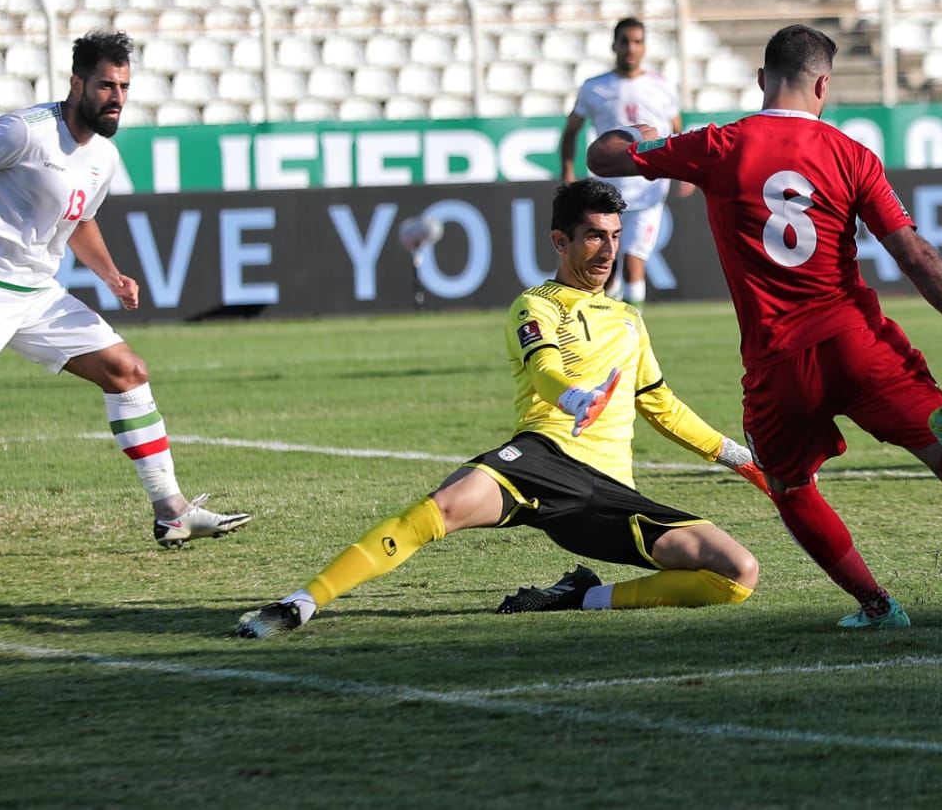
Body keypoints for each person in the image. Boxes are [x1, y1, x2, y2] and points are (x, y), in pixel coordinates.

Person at [587, 24, 942, 629]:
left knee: (790, 486)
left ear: (761, 80)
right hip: (856, 342)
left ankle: (877, 606)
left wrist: (646, 136)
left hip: (778, 364)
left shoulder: (718, 144)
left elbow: (602, 157)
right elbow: (915, 254)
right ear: (823, 85)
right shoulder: (853, 155)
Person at [235, 178, 766, 639]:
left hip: (607, 495)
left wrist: (742, 460)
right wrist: (575, 397)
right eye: (593, 236)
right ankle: (302, 602)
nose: (607, 251)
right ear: (560, 241)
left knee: (737, 573)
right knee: (441, 508)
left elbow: (661, 406)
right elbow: (544, 368)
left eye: (614, 236)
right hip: (544, 459)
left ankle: (579, 597)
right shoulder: (536, 304)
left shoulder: (629, 318)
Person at [0, 31, 250, 572]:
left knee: (127, 371)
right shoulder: (22, 131)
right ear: (77, 84)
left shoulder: (104, 156)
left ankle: (172, 511)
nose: (116, 97)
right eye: (106, 85)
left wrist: (111, 275)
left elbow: (79, 221)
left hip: (37, 293)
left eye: (124, 87)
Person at [558, 17, 692, 307]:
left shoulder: (662, 86)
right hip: (608, 193)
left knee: (633, 260)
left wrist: (686, 173)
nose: (630, 48)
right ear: (614, 45)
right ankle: (613, 318)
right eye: (625, 41)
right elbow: (571, 131)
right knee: (608, 268)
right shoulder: (595, 87)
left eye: (637, 42)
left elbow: (677, 132)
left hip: (648, 191)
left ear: (644, 47)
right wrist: (567, 169)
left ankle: (633, 327)